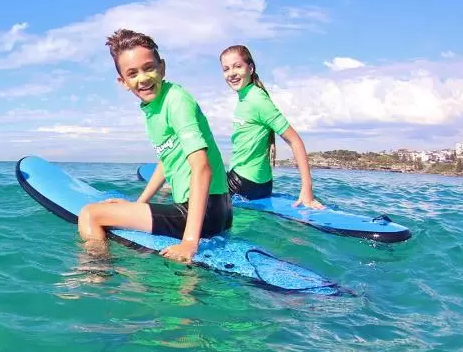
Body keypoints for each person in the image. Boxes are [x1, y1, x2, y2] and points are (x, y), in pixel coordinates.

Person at [77, 29, 233, 264]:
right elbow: (168, 159)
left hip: (202, 214)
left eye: (149, 68)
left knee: (90, 214)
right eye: (133, 73)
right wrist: (139, 204)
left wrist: (190, 241)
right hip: (217, 212)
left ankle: (97, 274)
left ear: (162, 67)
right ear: (123, 81)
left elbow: (202, 167)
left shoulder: (177, 101)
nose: (143, 78)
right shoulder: (156, 106)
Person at [219, 45, 324, 209]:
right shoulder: (246, 96)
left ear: (251, 68)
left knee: (183, 187)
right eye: (226, 69)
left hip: (243, 184)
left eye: (238, 66)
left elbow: (295, 141)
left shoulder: (257, 100)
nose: (231, 73)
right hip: (259, 185)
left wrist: (307, 191)